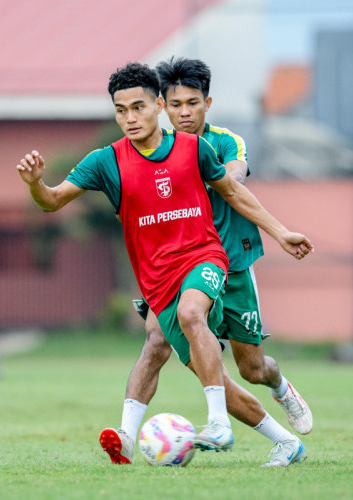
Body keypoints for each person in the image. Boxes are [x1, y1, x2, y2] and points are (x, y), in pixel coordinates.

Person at [15, 62, 313, 467]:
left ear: (157, 106)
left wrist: (281, 233)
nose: (130, 118)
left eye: (138, 107)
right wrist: (35, 183)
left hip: (207, 256)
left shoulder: (196, 148)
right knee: (204, 368)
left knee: (196, 317)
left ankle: (217, 423)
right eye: (121, 111)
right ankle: (283, 442)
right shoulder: (106, 161)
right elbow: (51, 201)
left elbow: (235, 192)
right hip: (157, 279)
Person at [128, 56, 312, 438]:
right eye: (175, 104)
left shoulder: (225, 142)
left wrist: (204, 174)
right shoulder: (149, 151)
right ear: (162, 106)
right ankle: (127, 436)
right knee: (157, 339)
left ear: (206, 104)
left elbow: (234, 176)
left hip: (234, 264)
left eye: (192, 103)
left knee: (253, 369)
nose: (184, 112)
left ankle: (280, 389)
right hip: (180, 270)